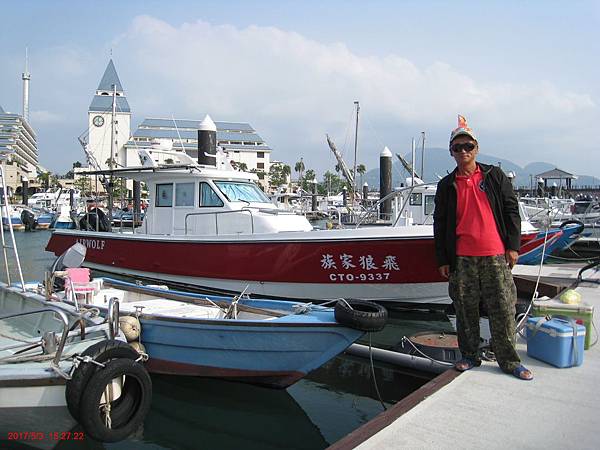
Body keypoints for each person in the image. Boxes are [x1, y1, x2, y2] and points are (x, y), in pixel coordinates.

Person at [433, 115, 533, 381]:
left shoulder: (494, 176)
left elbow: (512, 210)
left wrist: (513, 247)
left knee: (503, 307)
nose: (463, 151)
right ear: (451, 152)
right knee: (465, 309)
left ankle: (510, 361)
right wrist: (443, 258)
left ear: (476, 148)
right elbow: (440, 223)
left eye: (468, 146)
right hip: (462, 258)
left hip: (495, 255)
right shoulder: (446, 185)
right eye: (458, 147)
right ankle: (469, 355)